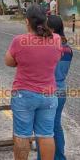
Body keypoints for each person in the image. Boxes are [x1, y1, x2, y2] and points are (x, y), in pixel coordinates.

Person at [5, 5, 62, 160]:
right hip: (49, 95)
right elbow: (56, 59)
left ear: (27, 21)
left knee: (22, 135)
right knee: (46, 134)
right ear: (45, 20)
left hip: (24, 94)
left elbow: (9, 62)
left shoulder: (20, 41)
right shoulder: (56, 39)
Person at [37, 15, 73, 160]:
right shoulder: (68, 48)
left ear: (51, 28)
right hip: (61, 90)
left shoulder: (48, 46)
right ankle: (59, 157)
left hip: (48, 91)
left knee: (44, 129)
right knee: (56, 125)